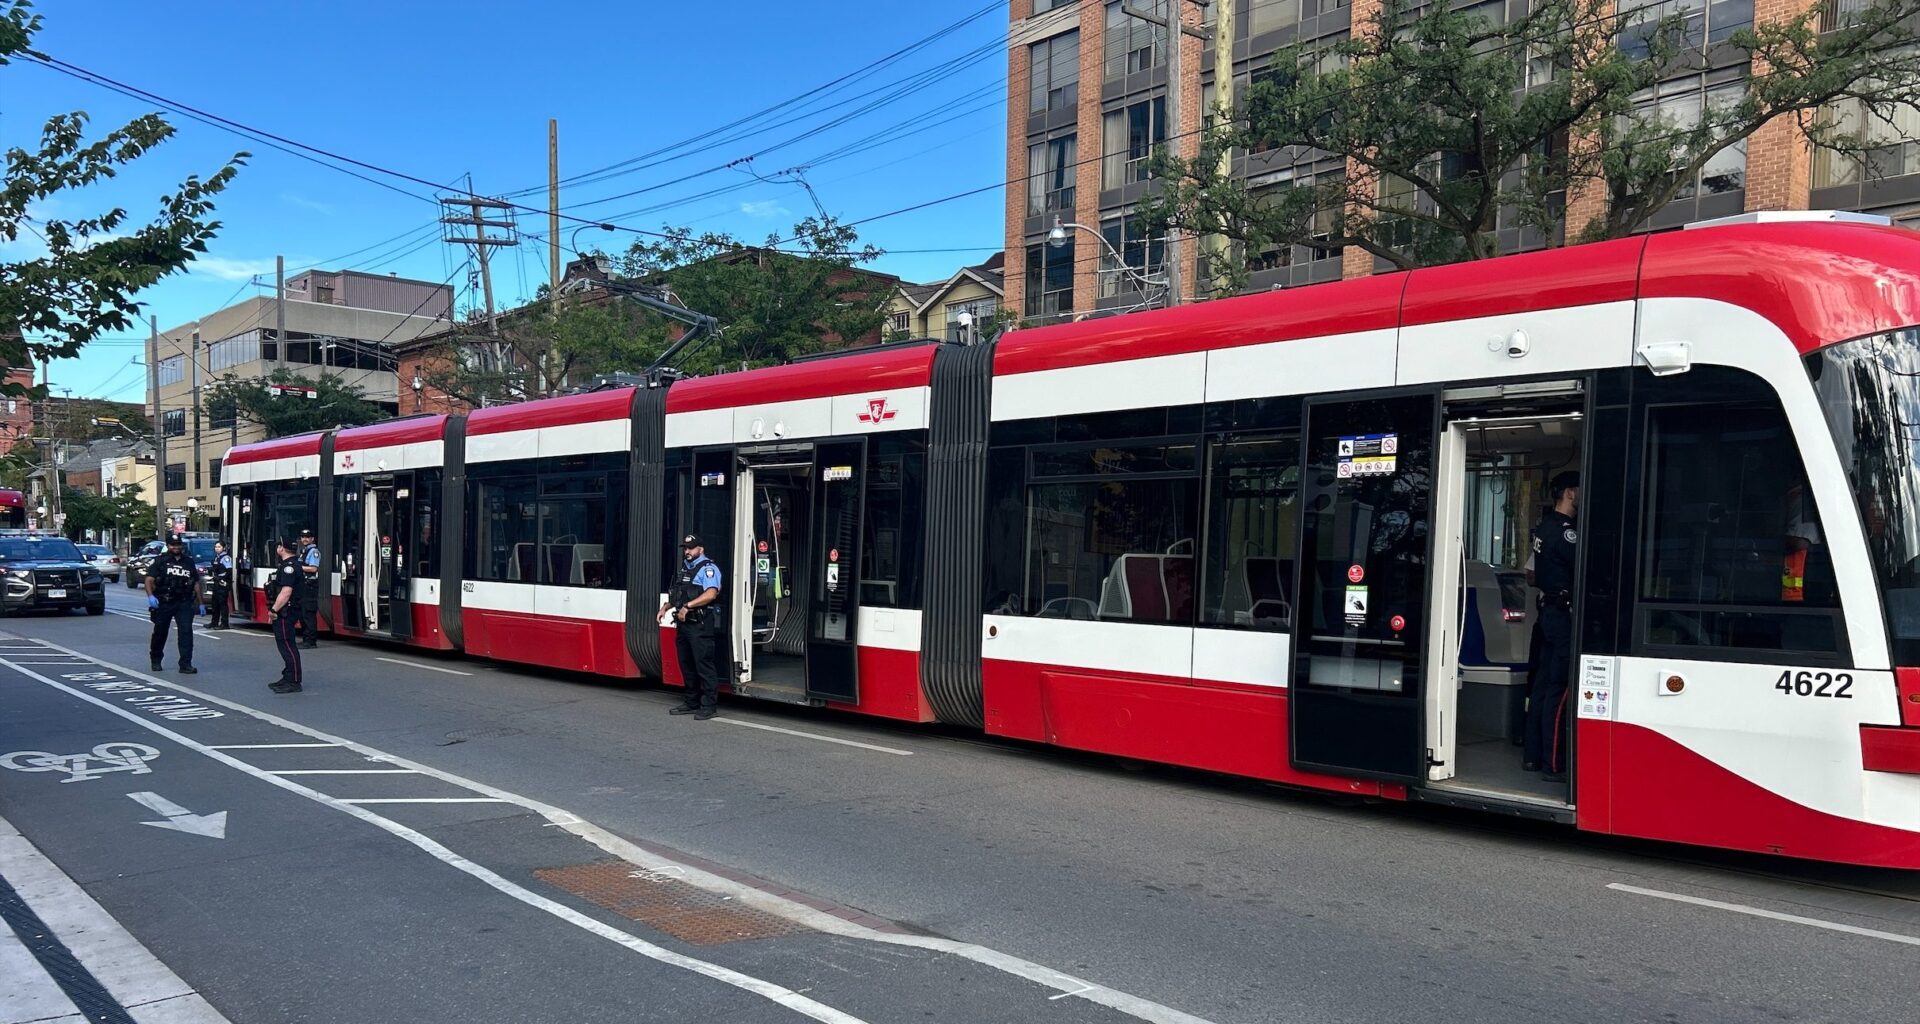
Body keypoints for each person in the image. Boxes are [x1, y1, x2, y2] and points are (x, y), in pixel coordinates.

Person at [1524, 471, 1579, 783]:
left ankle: (1532, 755)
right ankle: (1554, 763)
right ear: (1570, 493)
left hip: (1547, 613)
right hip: (1562, 615)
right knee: (1559, 690)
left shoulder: (1544, 527)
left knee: (1544, 687)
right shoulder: (1567, 532)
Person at [661, 533, 724, 720]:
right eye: (685, 548)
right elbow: (680, 596)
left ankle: (709, 705)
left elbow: (711, 594)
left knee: (703, 665)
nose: (687, 551)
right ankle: (691, 702)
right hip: (684, 626)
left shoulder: (709, 569)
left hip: (700, 625)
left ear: (700, 549)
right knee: (686, 664)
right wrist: (666, 607)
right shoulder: (685, 570)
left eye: (691, 548)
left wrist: (688, 607)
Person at [144, 534, 203, 675]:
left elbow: (195, 583)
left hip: (184, 602)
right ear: (168, 546)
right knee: (160, 632)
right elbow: (149, 580)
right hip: (164, 601)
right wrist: (151, 596)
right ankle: (156, 660)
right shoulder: (160, 561)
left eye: (178, 544)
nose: (176, 547)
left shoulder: (188, 562)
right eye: (173, 545)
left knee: (186, 633)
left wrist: (200, 603)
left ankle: (185, 664)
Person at [267, 537, 304, 693]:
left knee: (288, 645)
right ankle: (288, 676)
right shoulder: (291, 564)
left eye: (278, 546)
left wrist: (274, 610)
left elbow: (286, 592)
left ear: (281, 548)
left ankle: (294, 680)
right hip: (287, 609)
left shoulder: (289, 567)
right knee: (284, 644)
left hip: (286, 611)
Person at [297, 527, 321, 648]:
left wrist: (297, 568)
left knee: (308, 614)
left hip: (310, 586)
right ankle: (306, 638)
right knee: (303, 614)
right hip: (303, 586)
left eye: (307, 537)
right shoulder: (304, 551)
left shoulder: (314, 551)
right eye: (303, 537)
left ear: (312, 538)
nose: (305, 539)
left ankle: (311, 641)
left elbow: (313, 568)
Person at [209, 540, 234, 630]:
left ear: (223, 548)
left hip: (223, 583)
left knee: (222, 603)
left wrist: (222, 579)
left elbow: (229, 571)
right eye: (216, 547)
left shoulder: (226, 558)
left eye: (219, 547)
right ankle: (214, 622)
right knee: (215, 603)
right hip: (216, 582)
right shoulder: (217, 557)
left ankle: (224, 623)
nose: (217, 548)